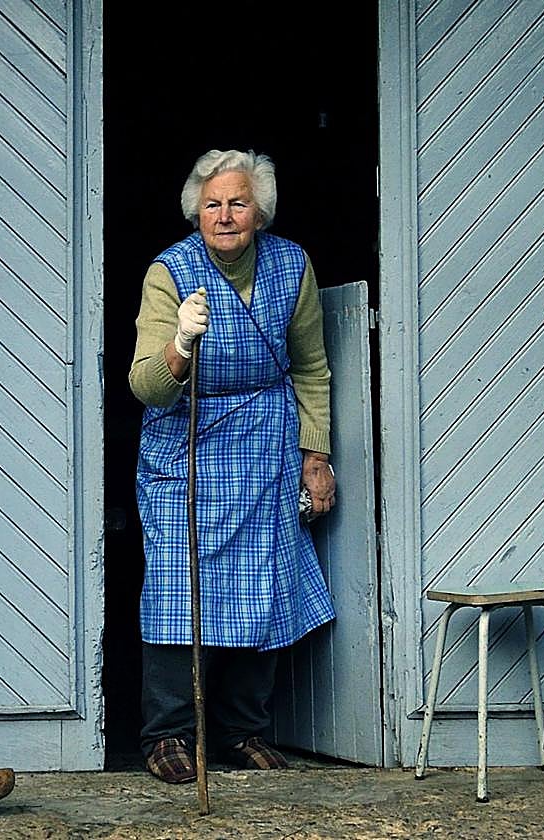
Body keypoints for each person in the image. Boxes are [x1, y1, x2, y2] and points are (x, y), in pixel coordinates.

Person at [129, 149, 337, 783]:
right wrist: (180, 344)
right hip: (186, 446)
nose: (225, 215)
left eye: (238, 202)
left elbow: (309, 367)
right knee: (175, 586)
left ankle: (241, 730)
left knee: (266, 585)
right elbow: (145, 385)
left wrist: (315, 454)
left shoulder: (290, 265)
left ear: (260, 212)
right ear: (197, 211)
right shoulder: (170, 274)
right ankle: (167, 735)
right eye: (213, 204)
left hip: (266, 445)